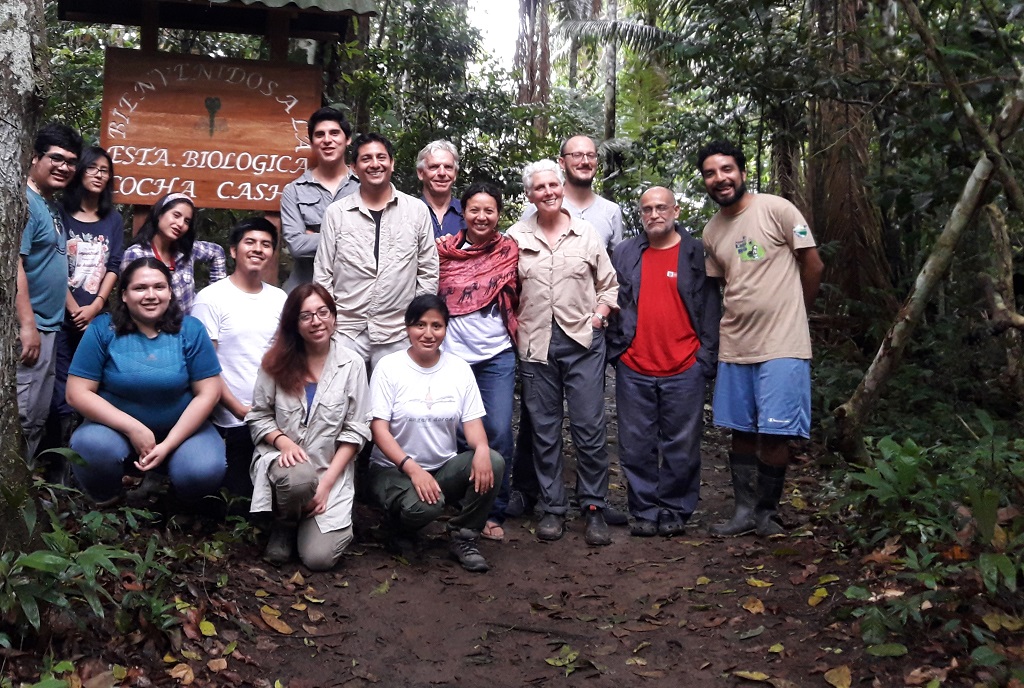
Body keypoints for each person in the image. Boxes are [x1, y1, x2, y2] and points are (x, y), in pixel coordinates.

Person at [698, 140, 824, 537]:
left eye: (726, 169)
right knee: (741, 430)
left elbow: (813, 264)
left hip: (782, 344)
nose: (720, 178)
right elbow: (722, 288)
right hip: (736, 345)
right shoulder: (712, 231)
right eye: (710, 173)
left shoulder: (776, 209)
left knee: (776, 430)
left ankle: (767, 513)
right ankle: (743, 512)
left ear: (742, 172)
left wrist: (796, 312)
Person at [510, 134, 625, 522]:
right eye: (539, 187)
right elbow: (504, 288)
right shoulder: (516, 236)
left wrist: (599, 317)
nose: (548, 192)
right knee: (543, 432)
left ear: (561, 185)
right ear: (529, 195)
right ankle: (552, 507)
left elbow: (609, 284)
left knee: (590, 428)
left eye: (552, 185)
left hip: (583, 342)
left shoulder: (586, 232)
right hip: (536, 345)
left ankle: (594, 506)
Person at [608, 187, 721, 537]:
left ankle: (674, 509)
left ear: (675, 210)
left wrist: (705, 358)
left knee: (681, 444)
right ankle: (644, 509)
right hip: (635, 365)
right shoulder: (625, 253)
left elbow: (711, 307)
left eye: (661, 208)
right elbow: (610, 298)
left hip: (685, 366)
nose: (654, 214)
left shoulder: (696, 253)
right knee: (635, 443)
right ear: (640, 215)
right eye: (647, 209)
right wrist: (618, 352)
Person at [66, 258, 226, 505]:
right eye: (140, 288)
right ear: (124, 295)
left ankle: (176, 501)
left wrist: (169, 443)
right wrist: (133, 428)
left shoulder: (191, 330)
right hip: (115, 430)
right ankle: (107, 500)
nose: (150, 295)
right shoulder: (102, 329)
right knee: (90, 446)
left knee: (204, 468)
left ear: (170, 292)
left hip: (183, 431)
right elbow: (77, 392)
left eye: (159, 287)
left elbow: (209, 393)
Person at [367, 295, 504, 573]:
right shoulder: (388, 367)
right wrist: (412, 469)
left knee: (494, 461)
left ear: (446, 329)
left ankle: (464, 536)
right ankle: (398, 527)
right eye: (420, 325)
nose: (428, 334)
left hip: (441, 468)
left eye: (436, 326)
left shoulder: (459, 369)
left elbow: (473, 424)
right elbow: (378, 429)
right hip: (393, 470)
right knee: (427, 506)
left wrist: (480, 450)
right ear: (407, 328)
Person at [246, 284, 370, 570]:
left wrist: (326, 485)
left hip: (329, 470)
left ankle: (309, 521)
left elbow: (356, 431)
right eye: (306, 316)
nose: (316, 321)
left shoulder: (352, 364)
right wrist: (283, 442)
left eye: (323, 312)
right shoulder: (275, 362)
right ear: (294, 324)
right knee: (299, 477)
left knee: (319, 559)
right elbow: (258, 416)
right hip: (284, 466)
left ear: (334, 317)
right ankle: (285, 524)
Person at [313, 132, 439, 371]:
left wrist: (417, 320)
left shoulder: (416, 211)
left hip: (398, 331)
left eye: (381, 157)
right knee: (341, 403)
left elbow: (428, 271)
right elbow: (323, 273)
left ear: (391, 163)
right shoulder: (336, 213)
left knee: (396, 405)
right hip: (347, 330)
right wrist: (330, 321)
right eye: (366, 158)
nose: (375, 164)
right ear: (353, 167)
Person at [436, 182, 519, 541]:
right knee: (454, 433)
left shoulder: (509, 250)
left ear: (498, 214)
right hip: (453, 358)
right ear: (463, 213)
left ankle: (493, 510)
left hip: (496, 355)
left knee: (497, 431)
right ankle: (459, 505)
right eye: (474, 209)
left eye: (489, 210)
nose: (481, 217)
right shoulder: (443, 252)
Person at [192, 218, 287, 498]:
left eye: (266, 244)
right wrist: (239, 409)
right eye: (250, 242)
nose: (258, 249)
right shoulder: (211, 298)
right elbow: (205, 366)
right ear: (233, 251)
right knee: (237, 499)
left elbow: (283, 357)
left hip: (273, 414)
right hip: (229, 418)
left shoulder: (280, 299)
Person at [47, 146, 125, 454]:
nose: (98, 175)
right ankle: (58, 461)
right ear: (80, 171)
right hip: (61, 312)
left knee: (96, 383)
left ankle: (90, 456)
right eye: (92, 168)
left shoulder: (112, 219)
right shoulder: (60, 213)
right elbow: (52, 260)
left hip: (96, 317)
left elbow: (114, 263)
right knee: (59, 386)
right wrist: (72, 306)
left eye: (104, 170)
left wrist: (96, 305)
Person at [17, 122, 83, 464]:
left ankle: (23, 485)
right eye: (56, 158)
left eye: (71, 162)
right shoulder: (24, 202)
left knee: (38, 417)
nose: (65, 167)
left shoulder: (52, 207)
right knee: (24, 416)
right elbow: (16, 265)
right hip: (31, 329)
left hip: (50, 327)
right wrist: (27, 325)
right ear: (34, 157)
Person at [279, 107, 360, 292]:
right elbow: (297, 246)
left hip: (353, 294)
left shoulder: (363, 188)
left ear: (347, 139)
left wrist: (315, 236)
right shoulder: (294, 191)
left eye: (334, 133)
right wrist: (350, 236)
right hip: (304, 291)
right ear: (312, 143)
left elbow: (373, 241)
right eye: (319, 135)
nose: (327, 140)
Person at [121, 192, 226, 314]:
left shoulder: (187, 250)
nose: (181, 224)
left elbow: (217, 252)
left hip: (188, 329)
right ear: (160, 214)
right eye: (176, 215)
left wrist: (213, 299)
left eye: (187, 221)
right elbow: (128, 299)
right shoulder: (136, 254)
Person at [417, 140, 465, 239]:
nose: (442, 173)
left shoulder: (469, 213)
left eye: (448, 167)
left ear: (455, 174)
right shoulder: (408, 212)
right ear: (420, 173)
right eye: (434, 167)